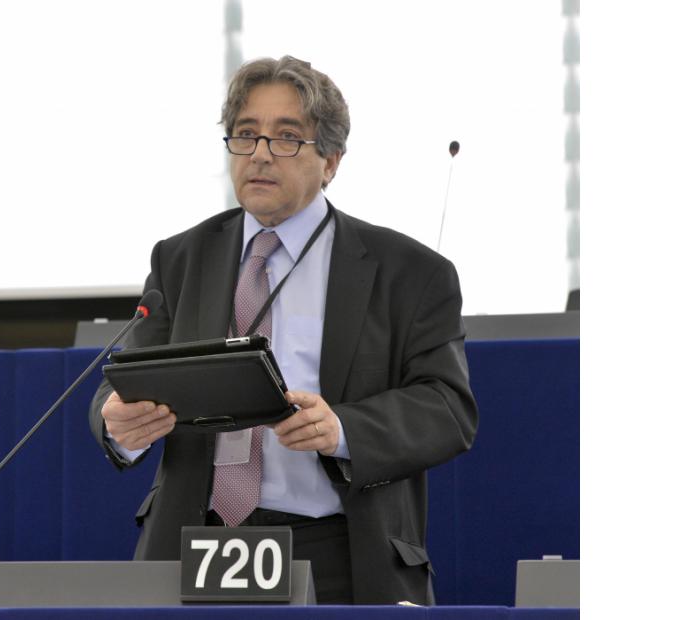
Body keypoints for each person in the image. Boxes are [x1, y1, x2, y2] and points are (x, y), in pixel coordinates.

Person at [88, 55, 478, 605]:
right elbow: (126, 378)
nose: (261, 153)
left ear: (331, 161)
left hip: (340, 551)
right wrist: (116, 422)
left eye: (287, 137)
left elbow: (447, 407)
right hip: (195, 547)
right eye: (246, 134)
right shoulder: (181, 258)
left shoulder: (409, 272)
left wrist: (341, 428)